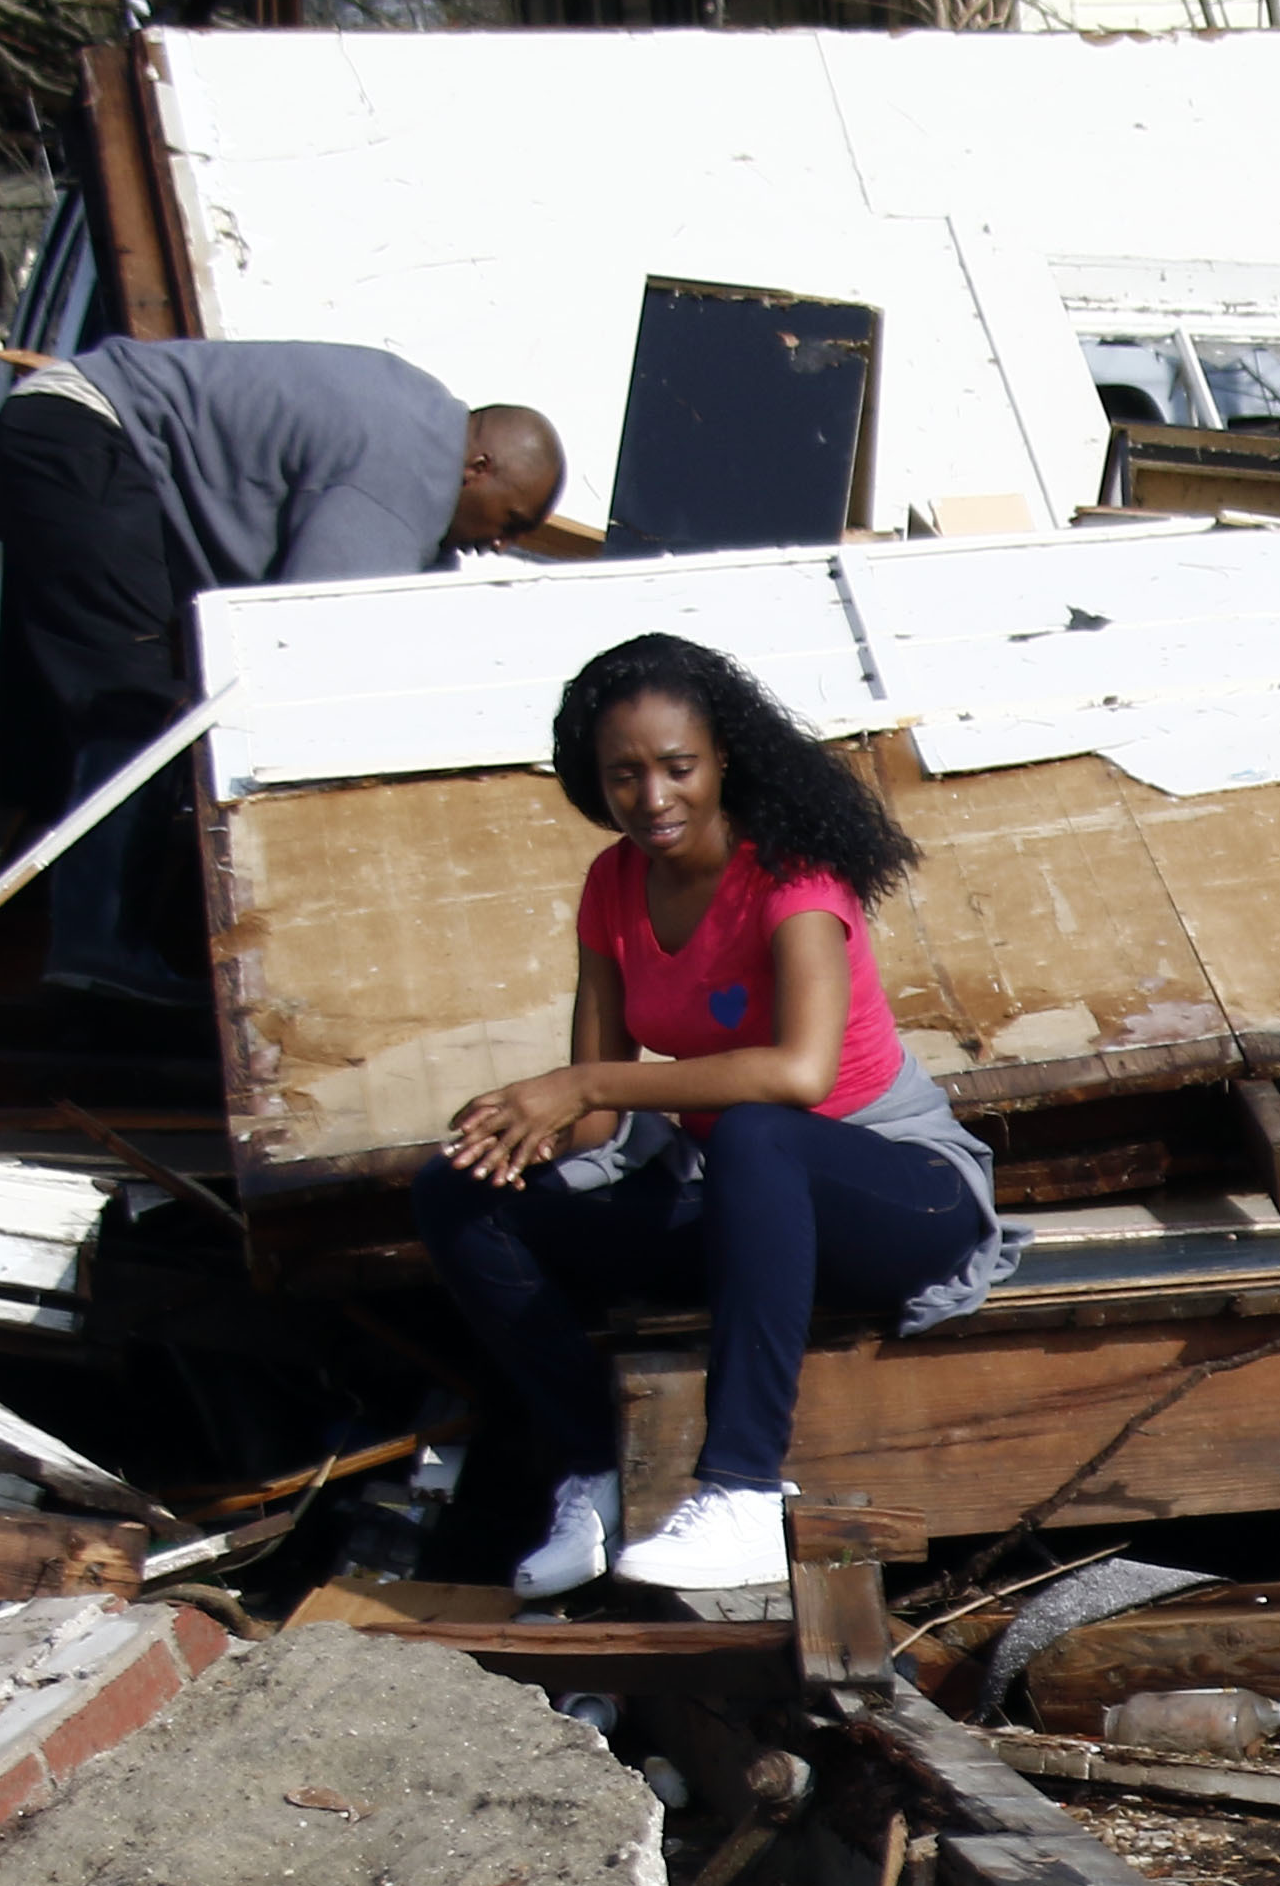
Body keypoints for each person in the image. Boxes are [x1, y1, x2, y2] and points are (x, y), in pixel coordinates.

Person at [414, 634, 1023, 1600]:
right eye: (624, 775)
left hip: (903, 1196)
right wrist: (515, 1123)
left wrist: (581, 1086)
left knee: (753, 1129)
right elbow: (595, 1112)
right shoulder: (612, 885)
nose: (652, 797)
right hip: (749, 1203)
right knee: (454, 1194)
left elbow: (797, 1074)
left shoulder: (795, 877)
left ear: (723, 759)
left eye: (677, 767)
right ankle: (591, 1475)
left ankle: (741, 1494)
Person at [0, 339, 563, 1004]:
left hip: (65, 431)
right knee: (133, 703)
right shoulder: (405, 476)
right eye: (512, 521)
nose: (501, 543)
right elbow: (303, 645)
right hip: (85, 437)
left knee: (83, 709)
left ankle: (45, 948)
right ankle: (96, 950)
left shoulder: (416, 424)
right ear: (478, 468)